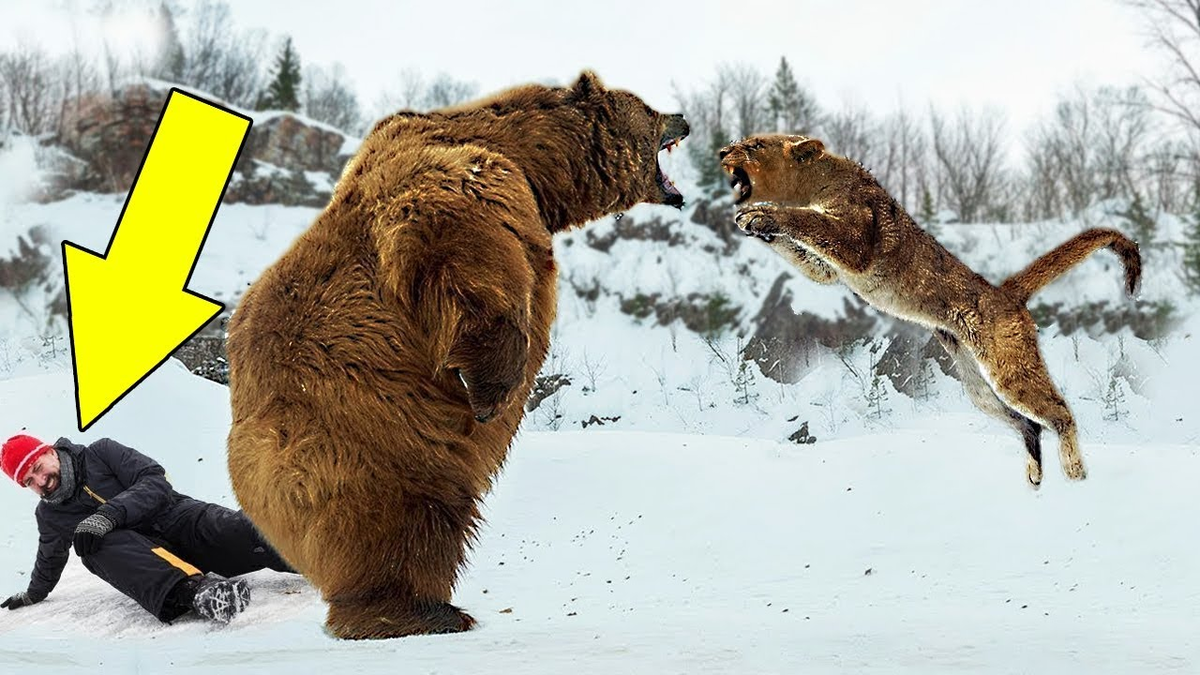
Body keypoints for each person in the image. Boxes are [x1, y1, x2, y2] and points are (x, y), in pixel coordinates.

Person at [0, 433, 295, 624]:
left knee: (250, 533)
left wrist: (109, 514)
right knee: (91, 546)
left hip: (181, 520)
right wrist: (33, 593)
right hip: (153, 568)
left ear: (50, 452)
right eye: (28, 482)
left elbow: (155, 480)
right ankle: (199, 593)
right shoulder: (50, 515)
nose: (39, 482)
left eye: (37, 469)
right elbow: (50, 557)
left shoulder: (100, 453)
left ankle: (325, 556)